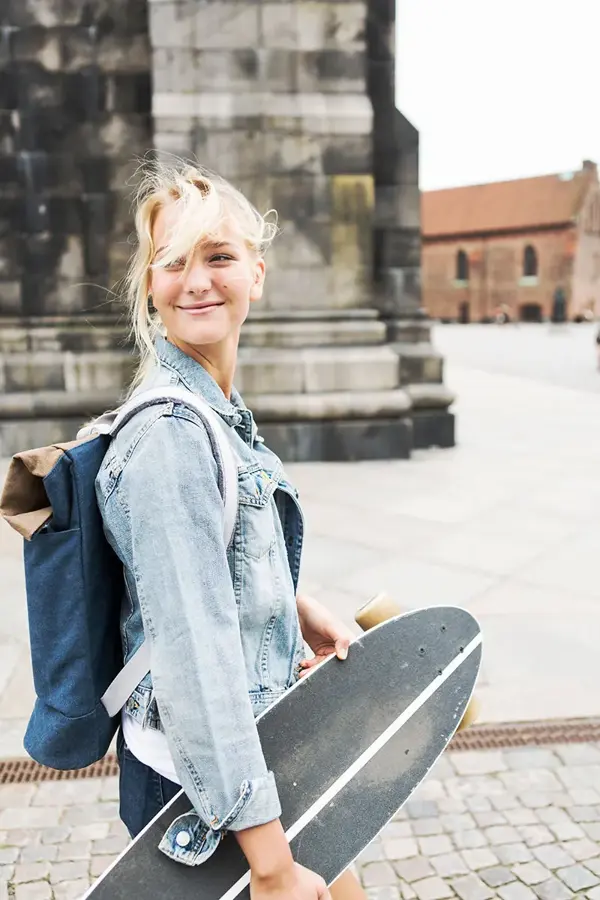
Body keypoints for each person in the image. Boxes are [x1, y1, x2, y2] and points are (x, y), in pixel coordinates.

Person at [95, 158, 368, 900]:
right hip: (202, 791)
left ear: (257, 273)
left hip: (252, 751)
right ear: (151, 287)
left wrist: (290, 604)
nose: (197, 281)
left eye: (218, 257)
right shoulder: (172, 436)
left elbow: (214, 564)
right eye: (173, 263)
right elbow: (193, 657)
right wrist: (270, 865)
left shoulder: (218, 412)